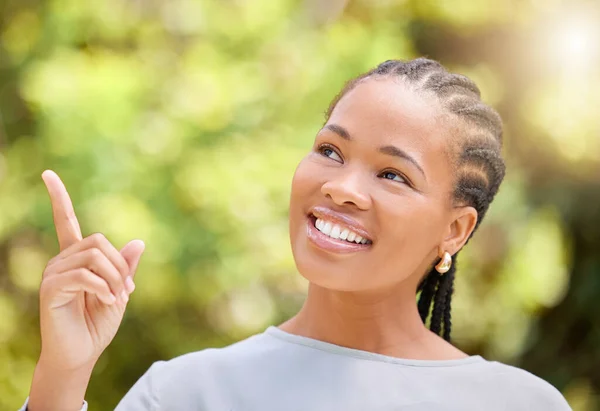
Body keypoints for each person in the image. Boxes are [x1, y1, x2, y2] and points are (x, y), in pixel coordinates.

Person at [21, 58, 572, 411]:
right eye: (331, 151)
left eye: (393, 175)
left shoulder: (518, 403)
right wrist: (62, 377)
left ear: (455, 230)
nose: (344, 188)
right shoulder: (187, 393)